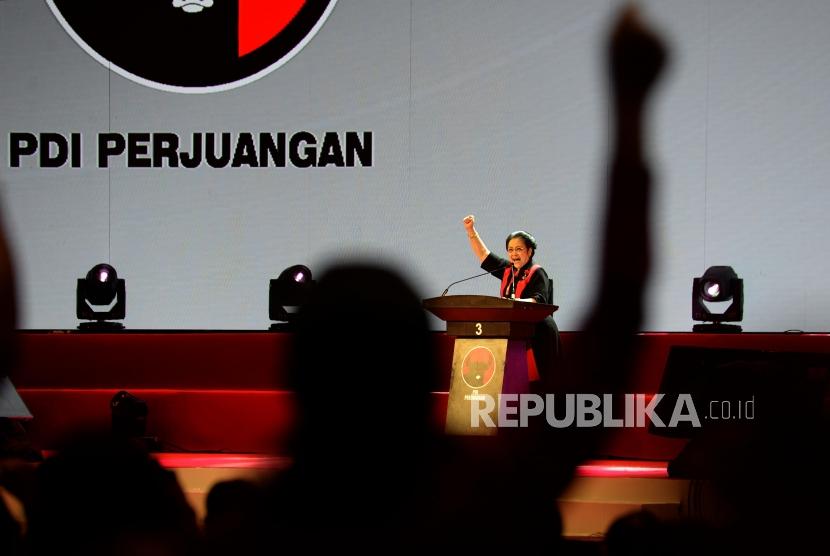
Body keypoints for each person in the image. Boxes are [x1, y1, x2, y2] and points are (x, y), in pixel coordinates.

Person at [461, 215, 560, 383]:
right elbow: (484, 255)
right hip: (516, 330)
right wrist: (471, 231)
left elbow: (539, 301)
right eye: (510, 249)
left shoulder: (537, 272)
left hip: (539, 333)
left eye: (519, 249)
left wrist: (510, 305)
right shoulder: (508, 270)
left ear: (529, 251)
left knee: (541, 383)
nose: (514, 254)